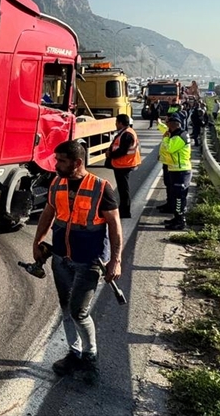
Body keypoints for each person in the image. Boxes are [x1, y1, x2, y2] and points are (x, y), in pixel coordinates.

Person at [31, 140, 123, 385]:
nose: (56, 164)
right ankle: (74, 353)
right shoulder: (57, 183)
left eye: (61, 160)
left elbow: (114, 226)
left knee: (78, 312)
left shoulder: (101, 188)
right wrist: (37, 242)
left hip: (89, 261)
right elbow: (49, 213)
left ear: (77, 163)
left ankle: (90, 358)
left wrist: (116, 260)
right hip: (61, 258)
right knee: (65, 308)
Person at [156, 114, 193, 230]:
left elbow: (169, 148)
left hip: (181, 171)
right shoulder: (176, 133)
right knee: (176, 196)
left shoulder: (179, 136)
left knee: (179, 198)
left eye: (167, 124)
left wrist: (166, 137)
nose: (166, 127)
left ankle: (180, 221)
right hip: (175, 169)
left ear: (172, 125)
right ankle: (176, 218)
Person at [104, 113, 142, 218]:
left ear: (120, 123)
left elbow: (123, 150)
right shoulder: (125, 132)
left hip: (124, 164)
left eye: (116, 122)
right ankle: (123, 209)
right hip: (123, 164)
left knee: (123, 189)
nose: (115, 124)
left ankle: (125, 211)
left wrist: (110, 154)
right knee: (122, 189)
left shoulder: (127, 134)